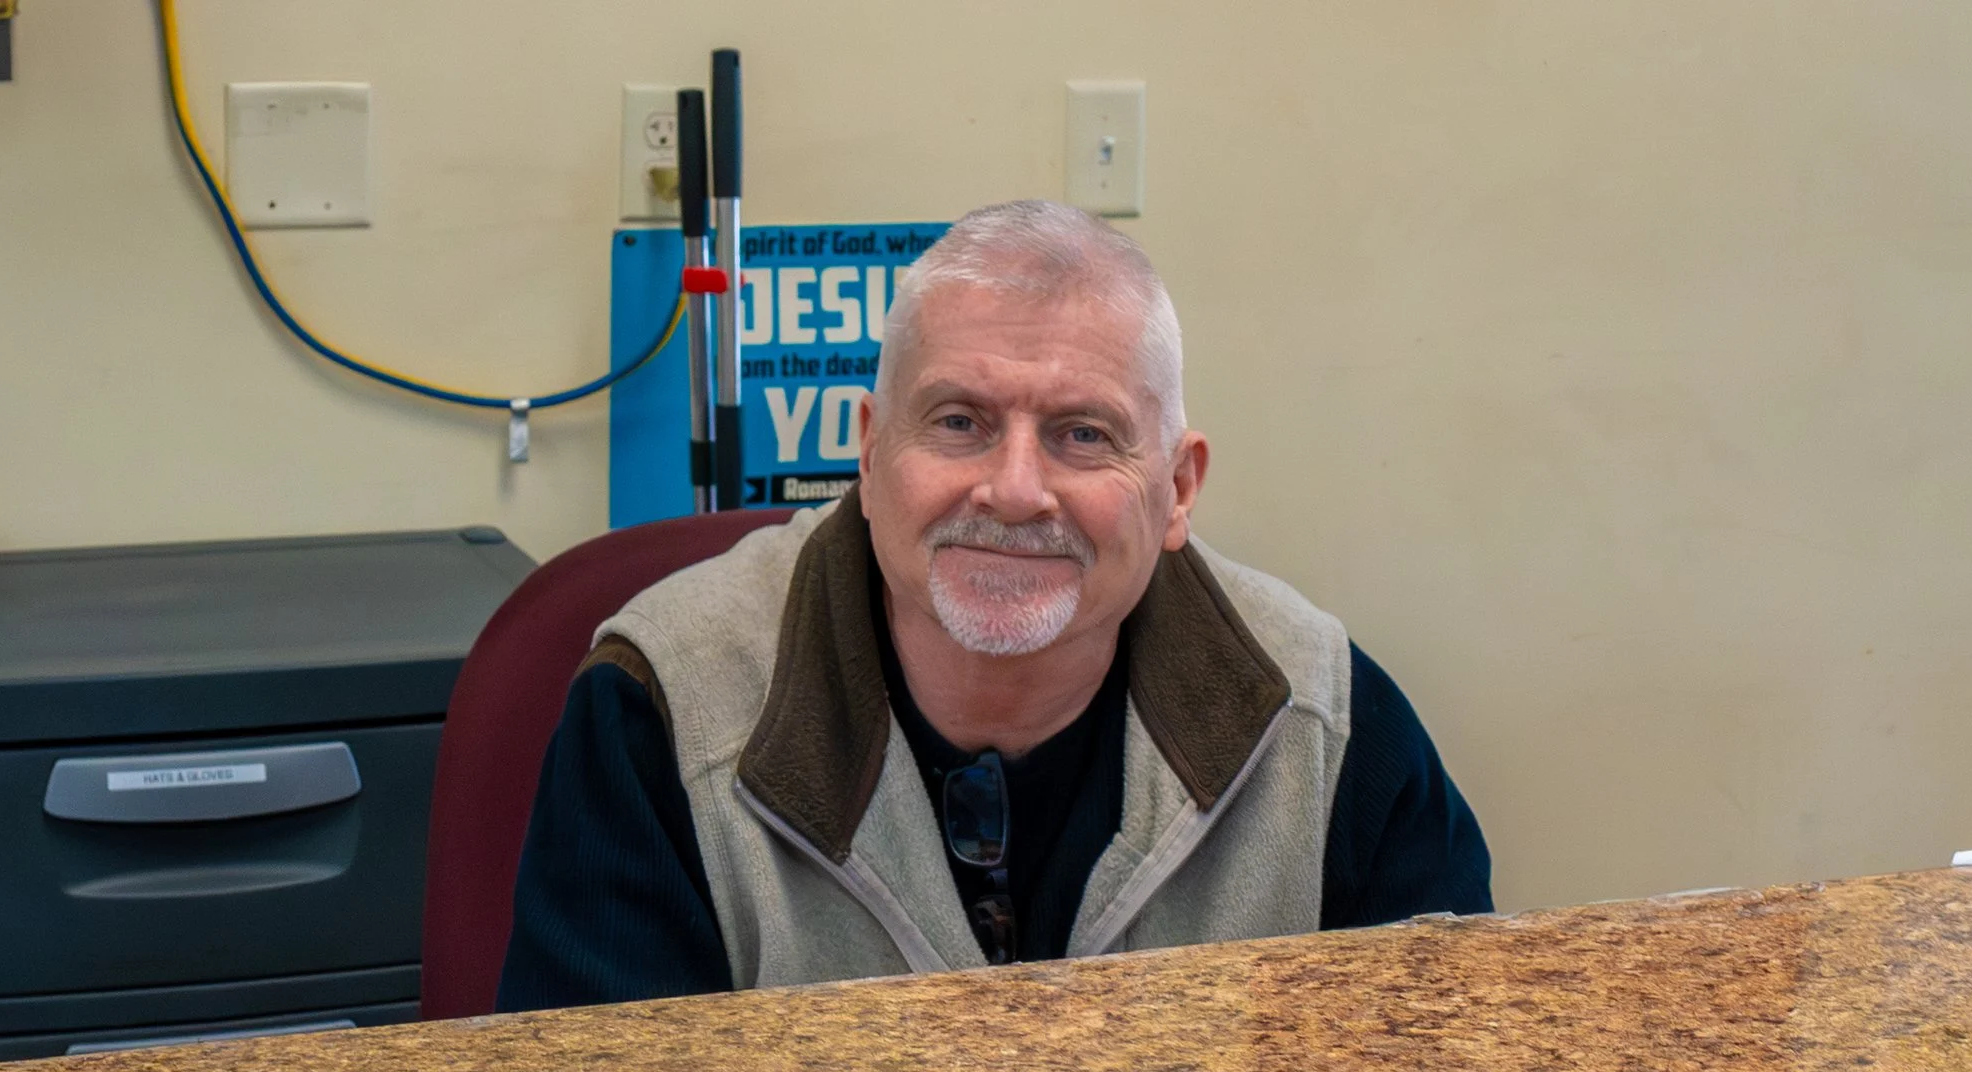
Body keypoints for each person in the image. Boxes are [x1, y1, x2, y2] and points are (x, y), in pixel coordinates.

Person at [497, 199, 1488, 1009]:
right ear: (870, 452)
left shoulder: (1325, 726)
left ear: (1177, 489)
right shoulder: (659, 710)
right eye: (960, 422)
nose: (1014, 491)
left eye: (1083, 435)